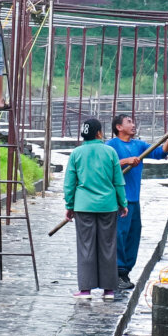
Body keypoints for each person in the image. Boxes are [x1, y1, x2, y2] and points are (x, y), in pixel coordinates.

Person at [108, 114, 168, 290]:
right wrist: (125, 161)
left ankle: (126, 271)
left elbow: (161, 153)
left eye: (133, 121)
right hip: (119, 199)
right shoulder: (110, 146)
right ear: (118, 127)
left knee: (133, 235)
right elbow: (104, 165)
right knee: (119, 236)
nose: (133, 125)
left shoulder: (139, 145)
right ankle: (117, 272)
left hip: (134, 199)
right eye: (129, 122)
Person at [63, 118, 128, 300]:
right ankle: (108, 290)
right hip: (108, 205)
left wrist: (69, 205)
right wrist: (123, 203)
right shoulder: (110, 152)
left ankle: (85, 289)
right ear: (99, 133)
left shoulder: (76, 154)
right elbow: (118, 181)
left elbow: (70, 183)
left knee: (86, 246)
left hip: (83, 206)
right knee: (108, 246)